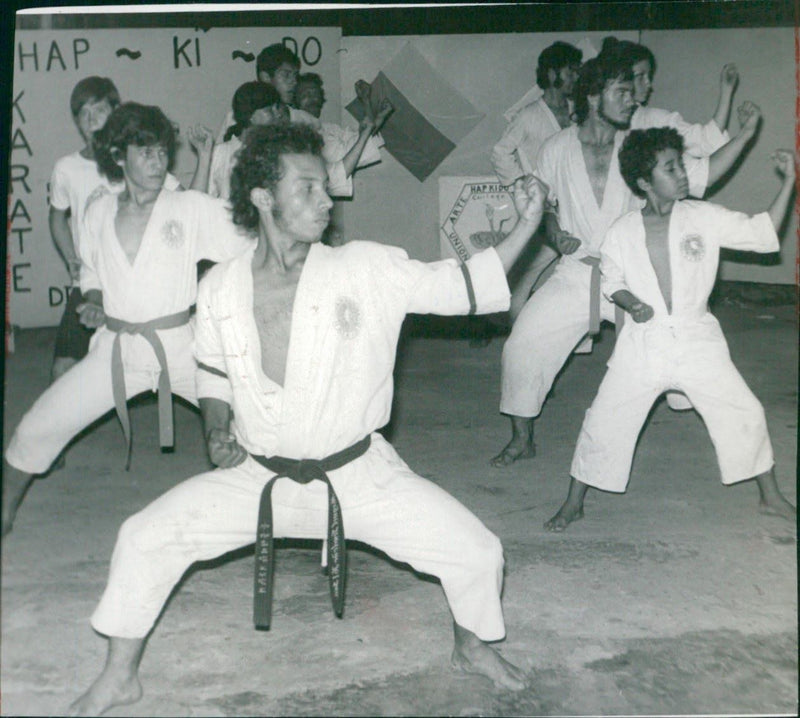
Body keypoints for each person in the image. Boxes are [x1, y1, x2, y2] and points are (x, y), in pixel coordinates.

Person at [67, 123, 548, 716]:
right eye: (308, 188)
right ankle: (120, 676)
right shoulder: (220, 286)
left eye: (325, 187)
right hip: (257, 475)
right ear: (264, 198)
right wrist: (217, 426)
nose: (327, 200)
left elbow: (465, 286)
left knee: (477, 552)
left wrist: (527, 222)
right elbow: (214, 372)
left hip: (357, 475)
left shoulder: (366, 268)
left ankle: (471, 647)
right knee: (144, 537)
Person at [490, 50, 763, 468]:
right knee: (523, 345)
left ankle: (741, 448)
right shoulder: (556, 148)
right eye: (623, 90)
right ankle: (521, 437)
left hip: (637, 278)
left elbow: (701, 172)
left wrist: (744, 135)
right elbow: (543, 206)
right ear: (595, 95)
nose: (634, 98)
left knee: (696, 363)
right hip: (578, 272)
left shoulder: (636, 146)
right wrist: (554, 231)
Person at [1, 103, 252, 537]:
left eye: (162, 152)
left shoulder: (190, 207)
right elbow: (92, 272)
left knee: (255, 425)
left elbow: (251, 245)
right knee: (36, 426)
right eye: (146, 153)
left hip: (181, 345)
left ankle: (284, 505)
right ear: (118, 156)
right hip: (115, 350)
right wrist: (95, 301)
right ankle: (3, 510)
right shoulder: (98, 212)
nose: (158, 162)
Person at [544, 128, 797, 531]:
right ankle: (574, 501)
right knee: (605, 418)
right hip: (643, 343)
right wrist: (633, 304)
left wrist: (790, 182)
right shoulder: (622, 230)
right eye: (671, 167)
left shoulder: (703, 216)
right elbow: (611, 281)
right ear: (645, 181)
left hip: (697, 337)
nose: (683, 174)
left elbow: (761, 231)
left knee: (744, 410)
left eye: (681, 165)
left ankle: (771, 496)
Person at [47, 77, 187, 382]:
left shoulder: (134, 158)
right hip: (91, 280)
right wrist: (71, 256)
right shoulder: (66, 168)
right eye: (83, 114)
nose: (91, 120)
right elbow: (57, 216)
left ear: (116, 112)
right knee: (63, 368)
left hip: (141, 280)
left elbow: (184, 199)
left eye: (98, 110)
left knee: (181, 360)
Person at [490, 41, 583, 323]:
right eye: (571, 71)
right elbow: (499, 152)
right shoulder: (529, 115)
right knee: (528, 272)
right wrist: (522, 184)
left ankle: (560, 331)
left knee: (565, 269)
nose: (576, 77)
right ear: (553, 73)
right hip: (542, 207)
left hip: (572, 202)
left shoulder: (576, 112)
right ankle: (513, 323)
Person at [294, 73, 394, 244]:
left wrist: (368, 104)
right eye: (306, 95)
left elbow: (361, 142)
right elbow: (351, 153)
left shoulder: (329, 130)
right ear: (294, 100)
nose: (313, 99)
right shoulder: (294, 131)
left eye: (317, 95)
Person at [603, 37, 740, 157]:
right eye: (641, 76)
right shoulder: (594, 121)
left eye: (649, 76)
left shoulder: (655, 120)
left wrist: (726, 91)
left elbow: (705, 141)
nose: (649, 84)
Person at [215, 42, 318, 143]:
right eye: (286, 75)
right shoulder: (234, 118)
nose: (294, 82)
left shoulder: (306, 121)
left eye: (295, 75)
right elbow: (220, 156)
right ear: (265, 77)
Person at [208, 82, 290, 200]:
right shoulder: (221, 153)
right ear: (249, 115)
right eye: (269, 110)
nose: (277, 115)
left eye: (276, 108)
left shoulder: (282, 151)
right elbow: (206, 198)